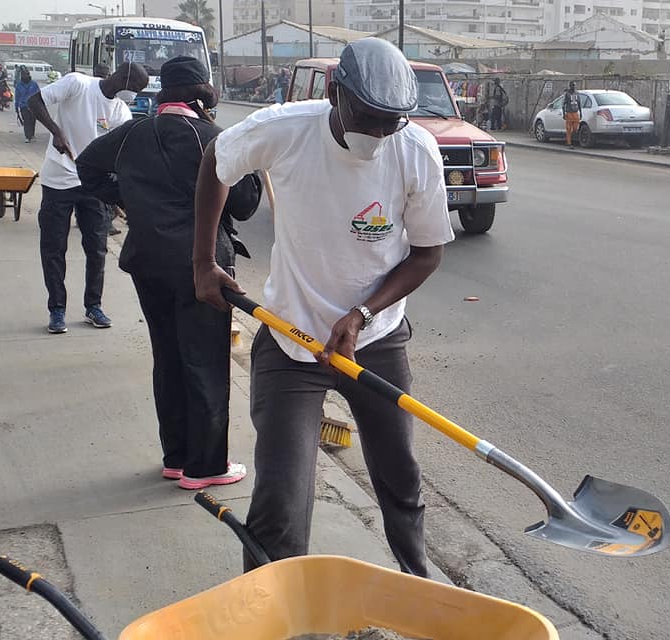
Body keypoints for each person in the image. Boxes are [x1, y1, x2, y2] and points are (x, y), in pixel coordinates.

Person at [192, 38, 453, 576]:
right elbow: (215, 162)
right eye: (369, 117)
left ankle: (422, 588)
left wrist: (361, 314)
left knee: (400, 478)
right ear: (335, 92)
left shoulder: (416, 150)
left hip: (375, 343)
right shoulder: (286, 129)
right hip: (290, 343)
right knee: (282, 500)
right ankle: (277, 612)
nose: (378, 136)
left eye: (392, 122)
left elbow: (426, 254)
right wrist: (202, 261)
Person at [77, 57, 261, 490]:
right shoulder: (212, 139)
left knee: (169, 357)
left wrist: (126, 198)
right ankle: (206, 467)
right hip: (204, 267)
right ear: (202, 97)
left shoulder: (130, 134)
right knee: (206, 362)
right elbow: (245, 206)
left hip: (147, 261)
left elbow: (86, 167)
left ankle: (176, 457)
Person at [28, 62, 149, 334]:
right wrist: (56, 131)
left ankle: (93, 306)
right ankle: (56, 310)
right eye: (136, 87)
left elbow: (120, 155)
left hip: (93, 186)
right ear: (123, 76)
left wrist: (121, 194)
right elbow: (34, 101)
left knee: (96, 249)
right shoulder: (77, 84)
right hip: (58, 179)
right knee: (53, 248)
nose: (136, 93)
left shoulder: (121, 110)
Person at [14, 68, 40, 143]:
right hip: (23, 106)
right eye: (24, 75)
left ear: (29, 75)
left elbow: (38, 94)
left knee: (32, 121)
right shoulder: (19, 85)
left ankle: (32, 135)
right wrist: (16, 107)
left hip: (33, 106)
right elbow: (17, 96)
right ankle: (28, 136)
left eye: (27, 74)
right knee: (26, 121)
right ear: (21, 76)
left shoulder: (34, 84)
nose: (25, 76)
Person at [562, 81, 581, 148]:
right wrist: (564, 113)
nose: (574, 86)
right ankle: (569, 143)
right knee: (569, 129)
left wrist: (580, 113)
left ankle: (571, 140)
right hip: (569, 113)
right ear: (570, 86)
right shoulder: (567, 94)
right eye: (573, 85)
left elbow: (579, 103)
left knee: (575, 129)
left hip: (575, 113)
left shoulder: (577, 93)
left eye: (575, 85)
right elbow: (563, 104)